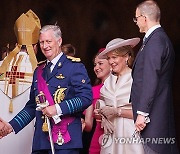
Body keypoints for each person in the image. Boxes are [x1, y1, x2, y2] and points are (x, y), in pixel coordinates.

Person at [0, 24, 92, 154]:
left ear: (59, 41)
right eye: (42, 42)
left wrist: (57, 108)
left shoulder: (74, 67)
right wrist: (10, 126)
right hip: (41, 141)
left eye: (49, 41)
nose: (45, 46)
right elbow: (32, 106)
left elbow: (85, 98)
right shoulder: (39, 70)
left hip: (65, 140)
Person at [130, 1, 179, 154]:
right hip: (156, 113)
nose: (136, 22)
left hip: (154, 116)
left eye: (136, 18)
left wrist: (142, 113)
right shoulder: (156, 39)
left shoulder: (156, 41)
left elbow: (150, 78)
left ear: (144, 18)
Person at [0, 10, 40, 154]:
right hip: (23, 128)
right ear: (35, 47)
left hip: (1, 131)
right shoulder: (40, 71)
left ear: (17, 44)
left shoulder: (1, 67)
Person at [97, 38, 144, 154]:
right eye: (109, 58)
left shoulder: (136, 79)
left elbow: (144, 112)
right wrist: (103, 115)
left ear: (127, 56)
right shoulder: (109, 81)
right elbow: (101, 101)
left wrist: (117, 111)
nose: (111, 61)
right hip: (111, 136)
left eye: (114, 57)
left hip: (130, 135)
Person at [80, 48, 111, 154]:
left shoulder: (124, 86)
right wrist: (81, 123)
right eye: (95, 64)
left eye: (100, 63)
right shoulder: (92, 91)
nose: (96, 68)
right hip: (98, 138)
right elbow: (88, 125)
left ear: (111, 64)